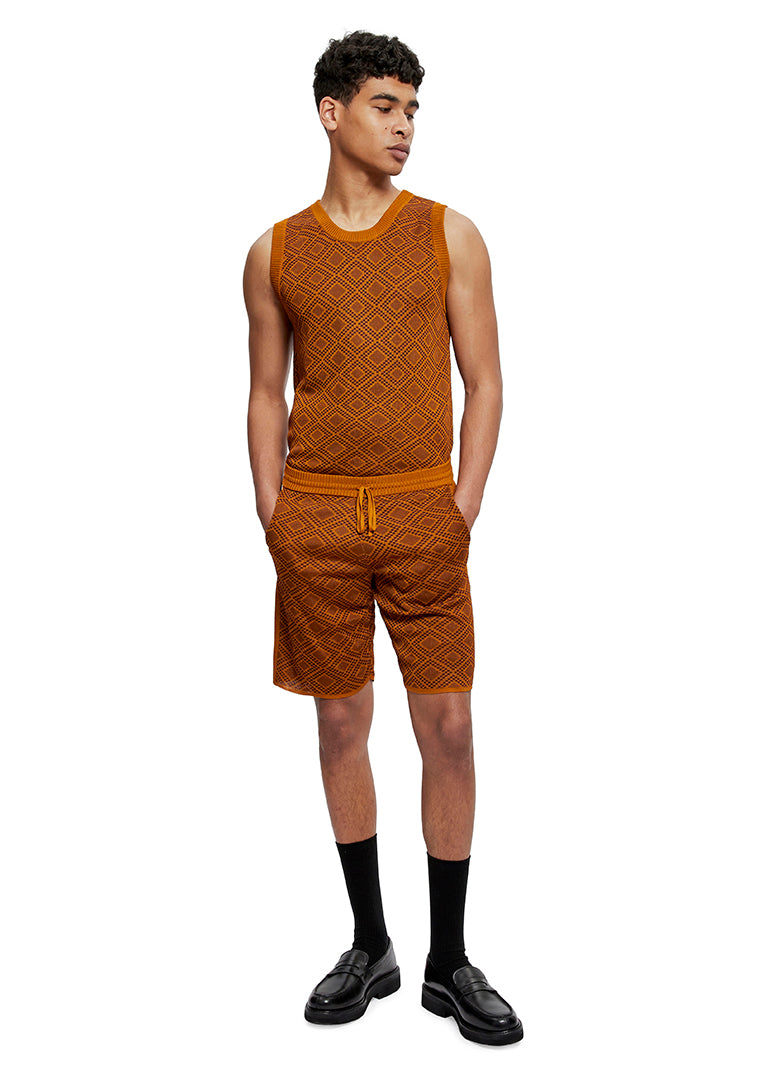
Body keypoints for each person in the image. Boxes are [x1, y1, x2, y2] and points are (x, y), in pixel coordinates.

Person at [242, 30, 523, 1047]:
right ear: (332, 112)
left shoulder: (449, 234)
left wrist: (462, 505)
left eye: (412, 110)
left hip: (422, 517)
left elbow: (485, 381)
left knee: (448, 728)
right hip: (315, 519)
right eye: (385, 105)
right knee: (340, 726)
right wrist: (274, 512)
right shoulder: (276, 251)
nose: (404, 126)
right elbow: (264, 391)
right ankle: (372, 943)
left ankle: (450, 959)